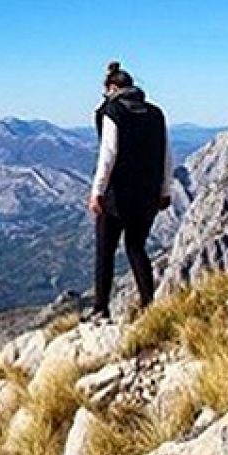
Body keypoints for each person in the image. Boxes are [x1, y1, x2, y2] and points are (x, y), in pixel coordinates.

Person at [87, 61, 173, 321]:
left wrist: (97, 191)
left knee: (105, 250)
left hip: (118, 195)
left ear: (112, 88)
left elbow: (108, 154)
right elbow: (167, 154)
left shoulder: (113, 111)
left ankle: (101, 308)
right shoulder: (156, 113)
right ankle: (149, 305)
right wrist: (165, 189)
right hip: (148, 195)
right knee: (136, 247)